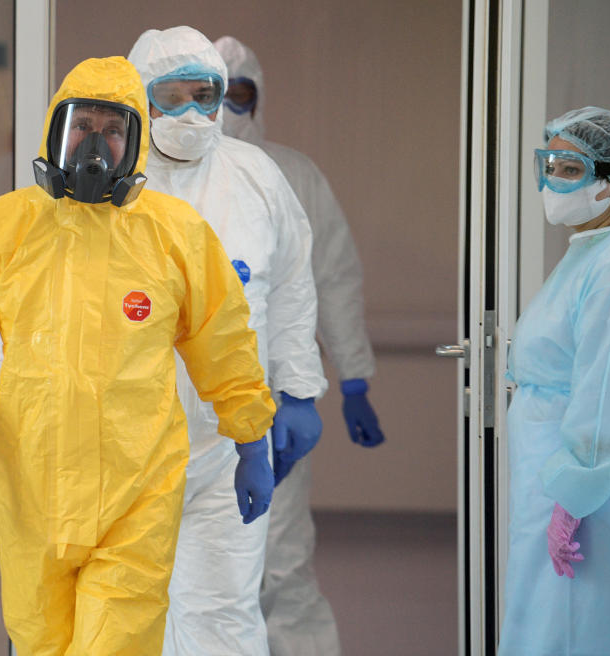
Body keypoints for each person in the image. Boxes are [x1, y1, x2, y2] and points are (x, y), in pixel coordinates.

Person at [0, 56, 278, 656]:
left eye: (114, 129)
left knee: (116, 645)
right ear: (56, 129)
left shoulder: (175, 234)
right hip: (31, 489)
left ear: (135, 143)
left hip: (137, 489)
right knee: (37, 643)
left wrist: (251, 438)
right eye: (83, 126)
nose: (95, 144)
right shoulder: (4, 228)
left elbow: (224, 340)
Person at [126, 27, 327, 656]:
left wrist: (298, 390)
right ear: (139, 100)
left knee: (225, 611)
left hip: (232, 437)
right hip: (126, 439)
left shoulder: (257, 177)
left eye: (205, 96)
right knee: (130, 611)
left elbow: (293, 287)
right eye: (171, 96)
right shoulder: (112, 186)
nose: (190, 113)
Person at [213, 35, 386, 656]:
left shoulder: (292, 173)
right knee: (191, 567)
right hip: (178, 406)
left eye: (241, 93)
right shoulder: (164, 178)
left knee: (280, 559)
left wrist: (353, 379)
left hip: (269, 397)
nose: (227, 106)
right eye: (214, 92)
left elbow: (332, 276)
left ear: (259, 99)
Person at [498, 106, 610, 655]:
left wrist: (575, 495)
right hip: (551, 474)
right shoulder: (592, 252)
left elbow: (609, 388)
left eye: (571, 167)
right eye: (549, 163)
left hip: (583, 487)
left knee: (575, 625)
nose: (553, 179)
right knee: (545, 618)